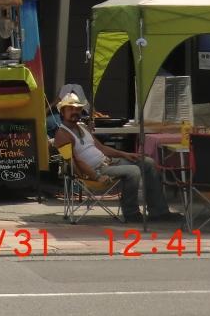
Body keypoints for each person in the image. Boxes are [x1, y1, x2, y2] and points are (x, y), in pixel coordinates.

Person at [53, 91, 180, 223]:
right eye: (70, 109)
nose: (75, 112)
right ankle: (131, 213)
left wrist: (126, 154)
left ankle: (159, 212)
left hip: (108, 162)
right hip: (96, 170)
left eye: (78, 109)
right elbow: (74, 161)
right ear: (62, 112)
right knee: (133, 171)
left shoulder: (82, 128)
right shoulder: (62, 134)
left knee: (147, 162)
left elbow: (102, 148)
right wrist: (96, 176)